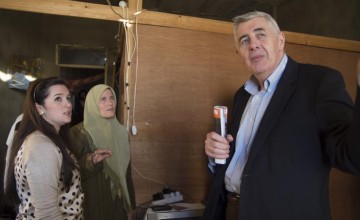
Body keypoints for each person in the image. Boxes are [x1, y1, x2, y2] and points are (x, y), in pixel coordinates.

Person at [203, 11, 360, 220]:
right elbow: (246, 161)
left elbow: (352, 156)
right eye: (244, 40)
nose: (253, 45)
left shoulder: (319, 82)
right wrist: (216, 155)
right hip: (232, 211)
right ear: (238, 53)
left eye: (260, 35)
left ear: (280, 40)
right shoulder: (242, 96)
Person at [3, 77, 84, 219]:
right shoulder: (41, 147)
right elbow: (48, 214)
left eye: (68, 98)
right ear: (40, 108)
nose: (68, 104)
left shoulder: (50, 138)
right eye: (58, 99)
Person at [69, 84, 136, 220]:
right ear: (92, 104)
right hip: (92, 203)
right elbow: (69, 172)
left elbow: (126, 173)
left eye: (112, 98)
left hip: (119, 203)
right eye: (103, 99)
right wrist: (91, 160)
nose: (110, 103)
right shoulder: (78, 133)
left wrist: (130, 206)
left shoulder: (122, 133)